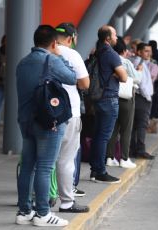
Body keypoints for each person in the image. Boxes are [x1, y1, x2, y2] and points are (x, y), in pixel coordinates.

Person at [15, 25, 76, 227]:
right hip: (47, 122)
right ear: (53, 43)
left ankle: (24, 211)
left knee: (27, 167)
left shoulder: (22, 63)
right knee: (45, 166)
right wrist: (60, 56)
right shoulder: (51, 60)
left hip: (25, 121)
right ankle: (42, 214)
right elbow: (72, 77)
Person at [54, 22, 90, 213]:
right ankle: (67, 202)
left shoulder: (45, 52)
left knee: (44, 160)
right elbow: (85, 83)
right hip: (69, 113)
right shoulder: (71, 54)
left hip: (46, 113)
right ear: (71, 38)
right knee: (65, 160)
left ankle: (41, 200)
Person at [89, 25, 127, 183]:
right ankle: (100, 172)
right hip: (109, 98)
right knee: (104, 137)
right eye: (115, 35)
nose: (117, 38)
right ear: (107, 38)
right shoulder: (111, 54)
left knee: (98, 136)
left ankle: (94, 170)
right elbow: (124, 77)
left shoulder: (97, 52)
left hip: (98, 98)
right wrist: (116, 74)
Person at [106, 36, 141, 168]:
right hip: (126, 98)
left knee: (113, 128)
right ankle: (124, 158)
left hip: (112, 96)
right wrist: (140, 71)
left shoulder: (108, 59)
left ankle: (110, 157)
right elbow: (137, 79)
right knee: (126, 129)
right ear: (124, 50)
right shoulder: (125, 62)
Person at [130, 43, 155, 160]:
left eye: (149, 51)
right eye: (145, 51)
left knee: (136, 125)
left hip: (141, 98)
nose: (148, 53)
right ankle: (140, 150)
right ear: (139, 52)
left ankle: (133, 149)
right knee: (141, 124)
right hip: (142, 98)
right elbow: (141, 82)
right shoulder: (139, 63)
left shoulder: (142, 63)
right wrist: (147, 97)